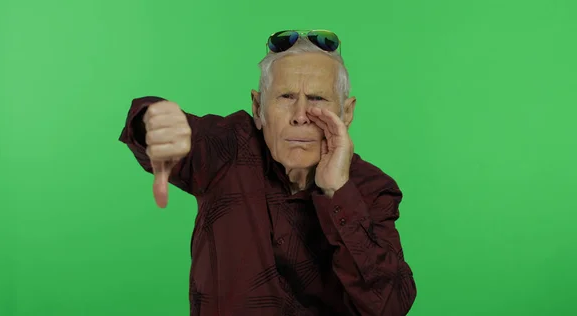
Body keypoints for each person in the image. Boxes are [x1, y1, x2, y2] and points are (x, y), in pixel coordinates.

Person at [119, 30, 416, 316]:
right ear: (258, 107)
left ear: (346, 113)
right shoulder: (229, 147)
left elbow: (389, 305)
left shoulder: (372, 189)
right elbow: (168, 130)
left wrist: (338, 191)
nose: (300, 116)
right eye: (286, 97)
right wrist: (153, 124)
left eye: (317, 99)